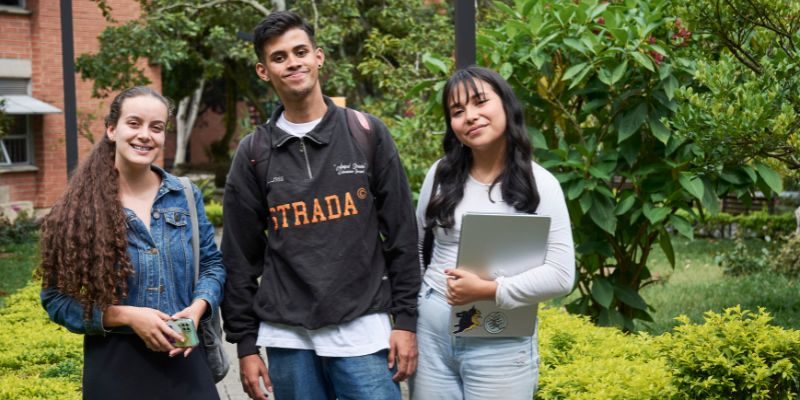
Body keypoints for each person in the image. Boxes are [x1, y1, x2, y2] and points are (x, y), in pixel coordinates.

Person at [221, 11, 419, 400]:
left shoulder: (366, 133)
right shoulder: (254, 153)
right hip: (288, 337)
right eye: (279, 57)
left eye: (300, 51)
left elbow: (402, 235)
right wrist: (245, 345)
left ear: (319, 57)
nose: (292, 62)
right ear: (264, 71)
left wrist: (407, 321)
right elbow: (239, 258)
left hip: (364, 332)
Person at [39, 86, 226, 400]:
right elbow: (55, 299)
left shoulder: (185, 195)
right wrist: (124, 315)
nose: (145, 135)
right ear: (112, 129)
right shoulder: (80, 207)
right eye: (134, 123)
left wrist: (196, 309)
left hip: (185, 364)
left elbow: (212, 266)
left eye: (156, 127)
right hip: (115, 369)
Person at [411, 66, 576, 400]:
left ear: (505, 105)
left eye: (480, 102)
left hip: (499, 337)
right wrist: (417, 307)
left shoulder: (540, 184)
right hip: (432, 339)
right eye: (457, 112)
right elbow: (416, 247)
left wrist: (489, 290)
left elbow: (561, 275)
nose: (470, 116)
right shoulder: (440, 174)